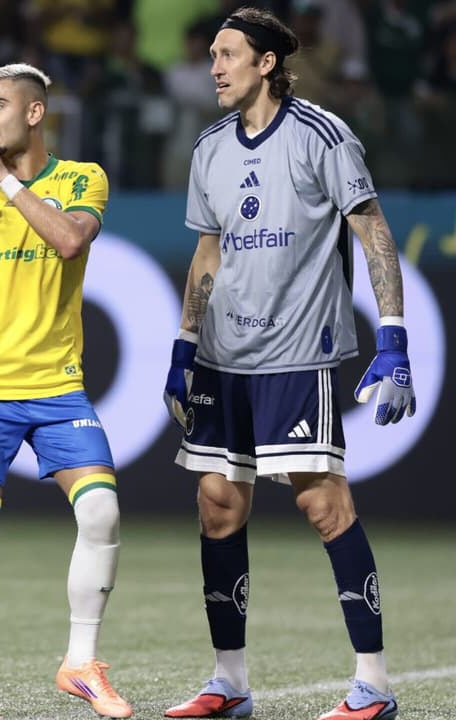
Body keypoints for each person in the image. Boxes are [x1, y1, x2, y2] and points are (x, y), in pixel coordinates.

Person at [162, 8, 411, 720]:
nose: (214, 66)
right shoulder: (208, 146)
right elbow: (207, 254)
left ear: (266, 63)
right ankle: (229, 683)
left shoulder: (322, 135)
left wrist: (392, 336)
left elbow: (373, 232)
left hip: (300, 354)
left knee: (324, 506)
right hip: (222, 358)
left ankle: (374, 683)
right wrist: (184, 345)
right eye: (211, 53)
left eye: (228, 54)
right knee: (217, 505)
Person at [0, 63, 131, 720]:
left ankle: (81, 663)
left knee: (101, 514)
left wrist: (3, 185)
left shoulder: (81, 178)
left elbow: (68, 241)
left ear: (34, 114)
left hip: (56, 383)